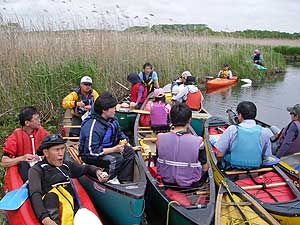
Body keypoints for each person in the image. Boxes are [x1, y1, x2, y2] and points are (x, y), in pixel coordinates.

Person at [28, 134, 108, 225]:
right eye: (57, 150)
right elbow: (35, 194)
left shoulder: (66, 166)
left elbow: (86, 168)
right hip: (51, 211)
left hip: (71, 209)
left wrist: (98, 172)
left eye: (62, 149)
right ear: (46, 152)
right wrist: (45, 219)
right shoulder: (36, 170)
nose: (61, 153)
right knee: (51, 197)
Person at [78, 92, 140, 183]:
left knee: (129, 152)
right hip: (90, 155)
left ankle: (124, 181)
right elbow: (92, 152)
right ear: (104, 110)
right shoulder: (93, 126)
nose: (115, 110)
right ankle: (107, 179)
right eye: (113, 108)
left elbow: (120, 134)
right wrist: (114, 149)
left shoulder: (112, 119)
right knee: (116, 159)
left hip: (109, 149)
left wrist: (129, 145)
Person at [156, 103, 208, 187]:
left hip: (165, 181)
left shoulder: (160, 138)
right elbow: (205, 167)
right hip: (191, 185)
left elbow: (157, 159)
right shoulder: (198, 141)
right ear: (189, 120)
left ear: (170, 118)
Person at [215, 101, 273, 169]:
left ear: (240, 115)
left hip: (233, 166)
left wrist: (219, 164)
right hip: (256, 166)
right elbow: (267, 156)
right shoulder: (265, 131)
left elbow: (219, 155)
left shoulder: (232, 129)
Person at [1, 106, 49, 181]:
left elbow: (54, 153)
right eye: (36, 119)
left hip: (41, 167)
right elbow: (4, 162)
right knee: (22, 165)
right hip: (24, 171)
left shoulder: (43, 133)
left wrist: (40, 158)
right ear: (27, 123)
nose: (39, 121)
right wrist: (23, 158)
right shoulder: (16, 136)